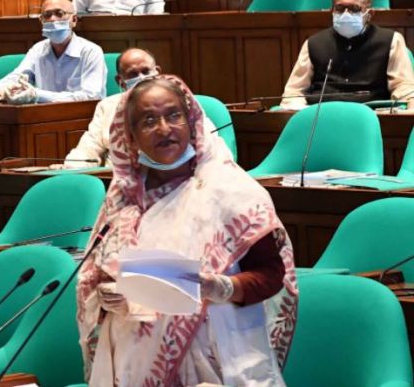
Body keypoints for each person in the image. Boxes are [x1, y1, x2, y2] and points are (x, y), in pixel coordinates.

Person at [78, 75, 297, 386]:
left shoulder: (231, 190)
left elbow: (272, 275)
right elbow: (98, 274)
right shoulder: (122, 200)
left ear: (191, 120)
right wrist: (105, 296)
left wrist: (219, 287)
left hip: (218, 354)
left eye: (173, 115)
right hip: (134, 358)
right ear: (131, 136)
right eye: (149, 120)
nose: (164, 129)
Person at [281, 0, 414, 110]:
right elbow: (294, 91)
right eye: (339, 8)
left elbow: (403, 86)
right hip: (321, 114)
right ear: (331, 11)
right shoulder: (314, 43)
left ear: (370, 14)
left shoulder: (390, 40)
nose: (346, 14)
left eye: (354, 9)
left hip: (370, 115)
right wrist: (297, 109)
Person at [0, 0, 107, 104]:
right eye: (47, 15)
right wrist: (6, 89)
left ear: (74, 20)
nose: (53, 19)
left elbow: (91, 96)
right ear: (41, 21)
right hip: (44, 119)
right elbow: (12, 79)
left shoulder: (91, 51)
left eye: (59, 13)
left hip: (83, 118)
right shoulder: (38, 50)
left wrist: (37, 95)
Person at [63, 48, 161, 167]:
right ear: (120, 81)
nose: (141, 78)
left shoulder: (178, 103)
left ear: (158, 73)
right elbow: (88, 149)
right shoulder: (107, 106)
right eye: (133, 74)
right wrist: (68, 169)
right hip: (115, 178)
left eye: (146, 71)